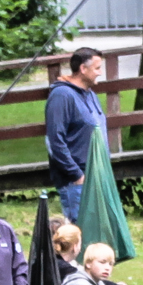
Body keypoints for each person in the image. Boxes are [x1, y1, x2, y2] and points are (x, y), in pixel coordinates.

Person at [43, 47, 109, 225]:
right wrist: (76, 175)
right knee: (80, 235)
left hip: (97, 177)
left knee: (98, 232)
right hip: (77, 182)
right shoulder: (61, 96)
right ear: (82, 69)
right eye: (97, 68)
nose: (100, 73)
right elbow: (54, 140)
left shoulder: (91, 95)